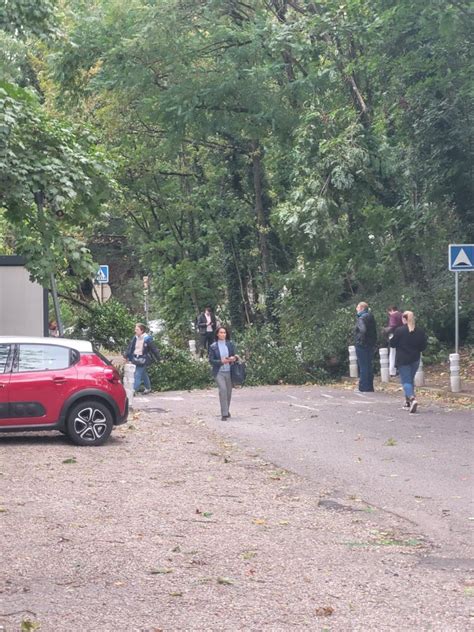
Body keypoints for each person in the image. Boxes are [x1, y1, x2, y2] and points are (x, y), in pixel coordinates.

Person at [390, 311, 427, 413]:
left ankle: (412, 398)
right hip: (415, 358)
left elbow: (392, 344)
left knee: (405, 381)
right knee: (410, 380)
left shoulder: (399, 331)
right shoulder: (420, 331)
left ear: (404, 319)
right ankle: (407, 402)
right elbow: (423, 346)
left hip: (403, 359)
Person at [208, 326, 238, 420]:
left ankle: (226, 410)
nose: (223, 334)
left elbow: (235, 355)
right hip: (219, 372)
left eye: (224, 333)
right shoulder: (213, 346)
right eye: (221, 332)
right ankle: (224, 414)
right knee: (223, 390)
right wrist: (221, 362)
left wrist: (234, 358)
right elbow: (211, 360)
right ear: (217, 334)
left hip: (229, 371)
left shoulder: (230, 344)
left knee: (229, 392)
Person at [124, 323, 160, 394]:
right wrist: (127, 356)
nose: (135, 331)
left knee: (137, 374)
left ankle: (132, 390)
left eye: (137, 329)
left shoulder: (147, 339)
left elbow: (154, 349)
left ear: (142, 330)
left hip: (143, 359)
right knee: (143, 373)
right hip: (135, 358)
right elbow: (131, 347)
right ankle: (148, 388)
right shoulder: (135, 337)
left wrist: (159, 358)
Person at [354, 301, 377, 392]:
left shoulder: (361, 318)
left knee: (363, 366)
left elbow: (362, 330)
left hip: (362, 345)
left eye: (357, 307)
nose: (356, 309)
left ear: (362, 308)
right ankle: (370, 386)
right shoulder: (371, 317)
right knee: (368, 365)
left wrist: (359, 340)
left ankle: (363, 386)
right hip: (370, 344)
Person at [383, 305, 404, 377]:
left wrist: (386, 330)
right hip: (403, 336)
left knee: (392, 353)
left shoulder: (393, 316)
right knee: (401, 352)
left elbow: (392, 325)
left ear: (391, 310)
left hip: (394, 336)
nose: (389, 314)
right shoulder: (402, 314)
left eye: (389, 312)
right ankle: (401, 369)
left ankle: (392, 371)